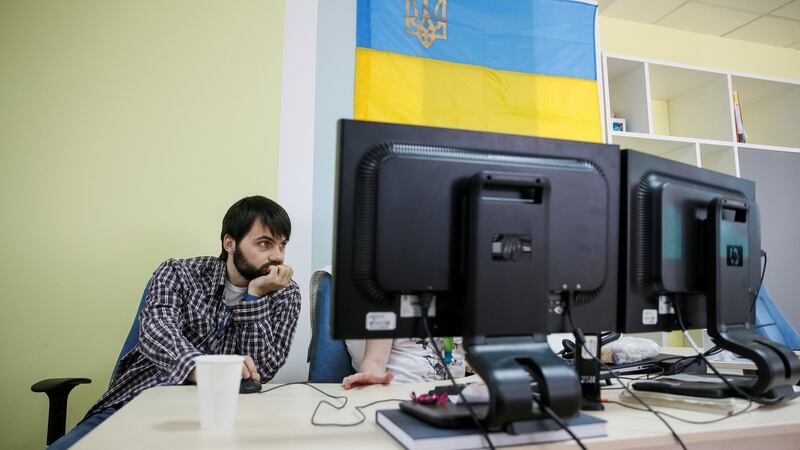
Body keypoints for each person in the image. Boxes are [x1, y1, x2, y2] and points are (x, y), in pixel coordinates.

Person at [49, 195, 301, 449]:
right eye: (265, 244)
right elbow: (157, 333)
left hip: (223, 418)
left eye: (282, 245)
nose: (277, 256)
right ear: (230, 243)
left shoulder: (286, 294)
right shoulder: (179, 274)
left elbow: (263, 371)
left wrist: (255, 297)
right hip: (139, 402)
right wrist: (207, 371)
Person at [342, 337, 466, 389]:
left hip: (456, 397)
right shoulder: (389, 296)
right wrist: (370, 379)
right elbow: (374, 360)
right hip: (400, 395)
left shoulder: (469, 295)